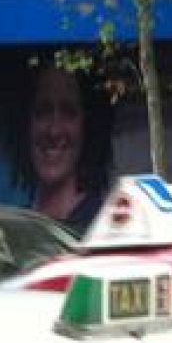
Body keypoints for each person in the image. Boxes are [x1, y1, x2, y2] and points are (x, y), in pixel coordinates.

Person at [10, 61, 113, 235]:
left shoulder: (105, 226)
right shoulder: (12, 225)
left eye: (68, 112)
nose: (54, 130)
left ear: (88, 126)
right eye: (43, 111)